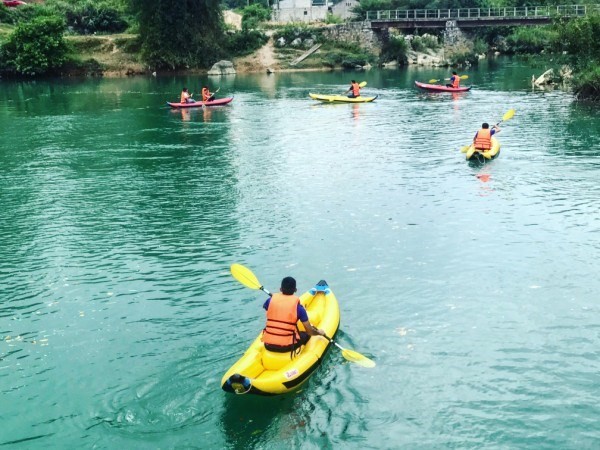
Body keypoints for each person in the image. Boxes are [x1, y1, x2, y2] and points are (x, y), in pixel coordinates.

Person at [262, 276, 325, 354]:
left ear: (280, 289)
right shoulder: (299, 309)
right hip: (287, 346)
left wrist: (277, 300)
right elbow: (310, 332)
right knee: (305, 335)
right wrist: (319, 332)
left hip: (268, 345)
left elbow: (270, 309)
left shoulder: (269, 301)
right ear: (295, 290)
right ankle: (304, 353)